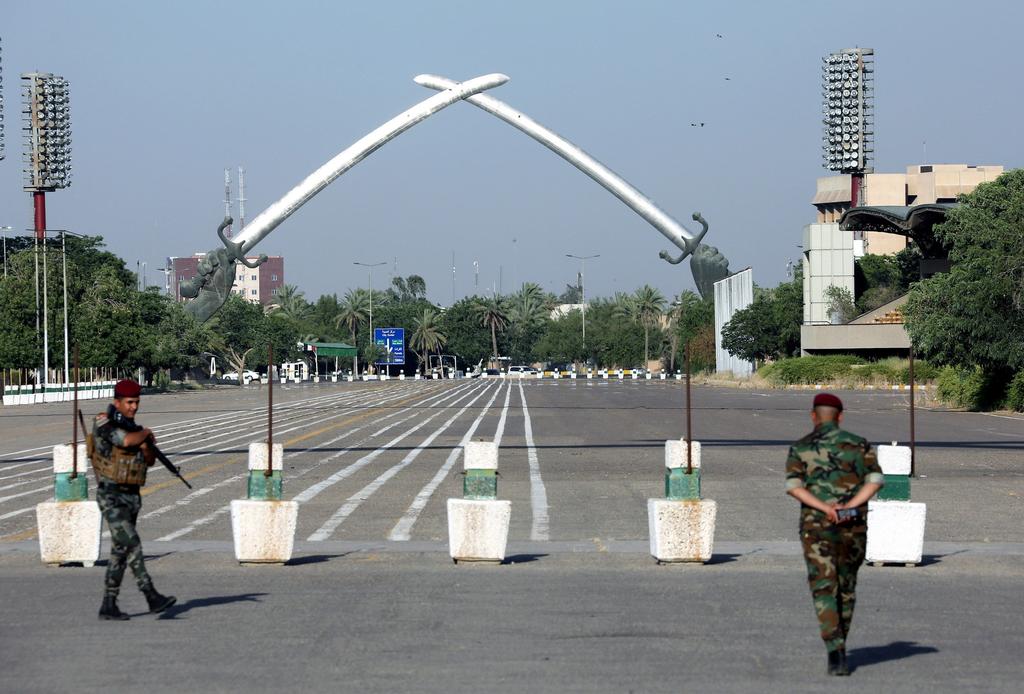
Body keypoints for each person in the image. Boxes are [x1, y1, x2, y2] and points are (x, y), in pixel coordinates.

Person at [785, 393, 883, 676]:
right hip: (853, 527)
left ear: (813, 416)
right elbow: (876, 480)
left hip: (816, 528)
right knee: (846, 587)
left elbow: (793, 486)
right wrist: (848, 507)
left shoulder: (801, 447)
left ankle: (835, 650)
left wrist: (826, 508)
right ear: (840, 417)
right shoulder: (859, 444)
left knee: (823, 588)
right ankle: (840, 642)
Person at [89, 379, 176, 621]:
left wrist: (147, 446)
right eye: (129, 402)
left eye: (136, 402)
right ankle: (151, 595)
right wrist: (146, 433)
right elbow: (124, 441)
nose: (134, 407)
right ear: (117, 402)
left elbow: (148, 461)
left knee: (120, 551)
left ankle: (109, 604)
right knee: (133, 543)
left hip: (131, 496)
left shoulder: (133, 428)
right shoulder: (103, 422)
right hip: (111, 496)